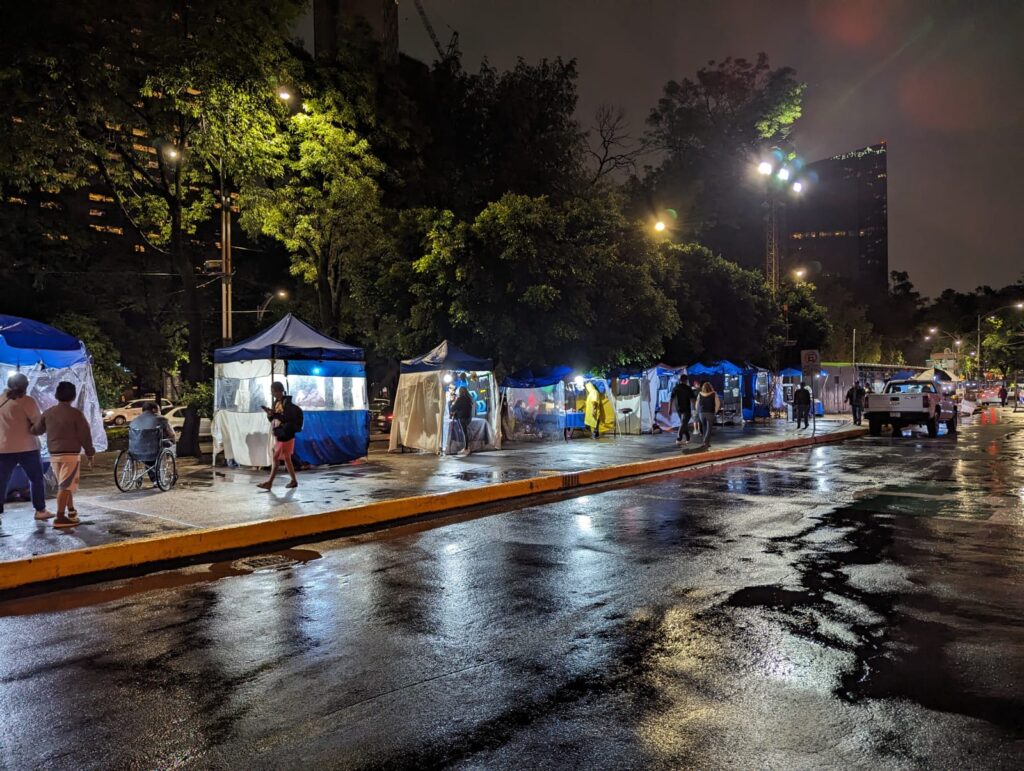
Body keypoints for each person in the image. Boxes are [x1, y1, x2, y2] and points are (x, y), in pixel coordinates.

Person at [32, 381, 95, 528]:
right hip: (70, 455)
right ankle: (60, 517)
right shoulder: (76, 414)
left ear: (56, 395)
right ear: (73, 396)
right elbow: (85, 435)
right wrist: (90, 452)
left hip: (54, 454)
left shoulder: (48, 413)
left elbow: (36, 430)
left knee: (64, 484)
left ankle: (71, 511)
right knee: (65, 486)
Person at [0, 373, 52, 525]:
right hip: (27, 447)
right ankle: (40, 510)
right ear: (25, 386)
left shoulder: (1, 400)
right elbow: (38, 424)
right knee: (36, 479)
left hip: (3, 447)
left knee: (2, 481)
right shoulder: (28, 401)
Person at [258, 381, 303, 489]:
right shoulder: (277, 403)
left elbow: (286, 419)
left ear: (279, 391)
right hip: (281, 433)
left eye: (273, 391)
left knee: (275, 457)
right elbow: (274, 419)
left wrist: (275, 415)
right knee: (287, 458)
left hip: (285, 435)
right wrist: (270, 415)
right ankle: (293, 481)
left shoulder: (286, 405)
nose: (273, 394)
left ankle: (270, 482)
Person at [129, 402, 176, 484]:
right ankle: (168, 472)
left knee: (149, 452)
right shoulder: (162, 419)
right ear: (154, 409)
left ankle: (154, 479)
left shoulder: (134, 421)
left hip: (135, 451)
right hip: (154, 449)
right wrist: (173, 441)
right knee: (169, 445)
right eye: (159, 409)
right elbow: (172, 434)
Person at [695, 382, 720, 449]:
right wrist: (715, 411)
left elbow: (697, 404)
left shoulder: (700, 394)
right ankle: (705, 442)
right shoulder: (714, 394)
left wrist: (698, 411)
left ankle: (706, 443)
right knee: (709, 429)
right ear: (710, 387)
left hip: (701, 413)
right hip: (710, 412)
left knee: (704, 428)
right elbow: (717, 403)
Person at [671, 377, 695, 445]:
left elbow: (671, 398)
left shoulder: (676, 387)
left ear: (680, 380)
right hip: (686, 408)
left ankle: (688, 438)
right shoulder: (688, 388)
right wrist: (694, 408)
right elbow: (692, 399)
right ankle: (679, 439)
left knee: (684, 423)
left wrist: (669, 408)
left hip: (678, 408)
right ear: (686, 380)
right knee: (683, 424)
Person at [451, 386, 474, 456]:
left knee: (464, 433)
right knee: (465, 433)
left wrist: (454, 402)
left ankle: (466, 448)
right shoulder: (469, 398)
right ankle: (466, 447)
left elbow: (453, 408)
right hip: (468, 417)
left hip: (462, 417)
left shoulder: (460, 399)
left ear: (460, 392)